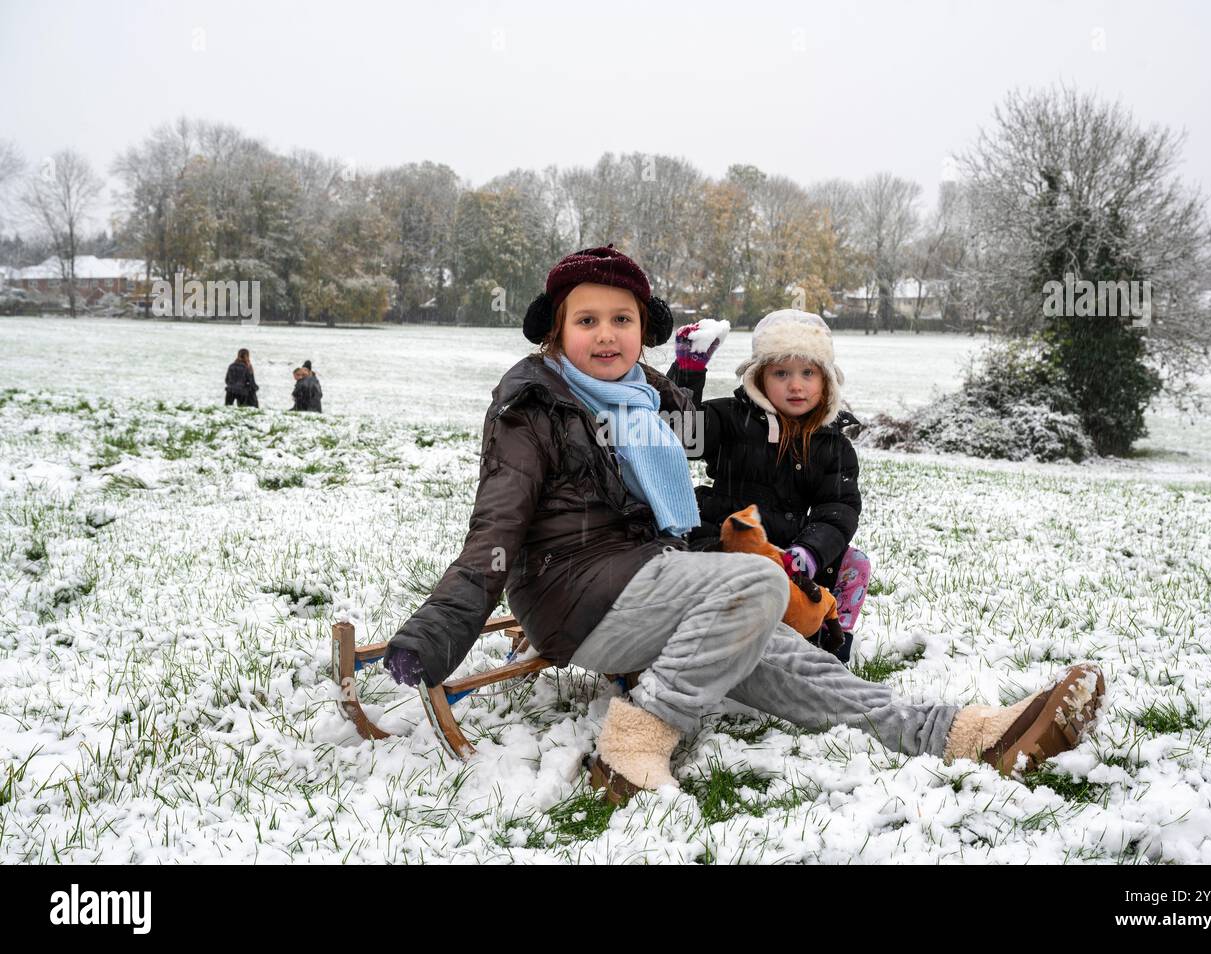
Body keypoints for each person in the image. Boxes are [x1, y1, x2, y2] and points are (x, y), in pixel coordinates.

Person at [383, 245, 1105, 803]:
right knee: (755, 585)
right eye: (588, 320)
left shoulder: (648, 398)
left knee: (788, 655)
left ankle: (959, 733)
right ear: (558, 332)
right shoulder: (534, 407)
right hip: (575, 598)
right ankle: (636, 739)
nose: (607, 335)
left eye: (622, 319)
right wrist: (438, 628)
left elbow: (698, 438)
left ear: (643, 329)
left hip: (652, 581)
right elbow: (495, 530)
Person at [668, 311, 872, 663]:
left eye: (808, 373)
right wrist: (688, 373)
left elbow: (837, 511)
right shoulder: (731, 418)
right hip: (724, 538)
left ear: (826, 381)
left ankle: (827, 644)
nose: (796, 385)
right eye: (781, 373)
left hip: (790, 552)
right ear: (759, 378)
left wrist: (809, 552)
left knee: (854, 563)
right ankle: (708, 638)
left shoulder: (833, 446)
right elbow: (679, 437)